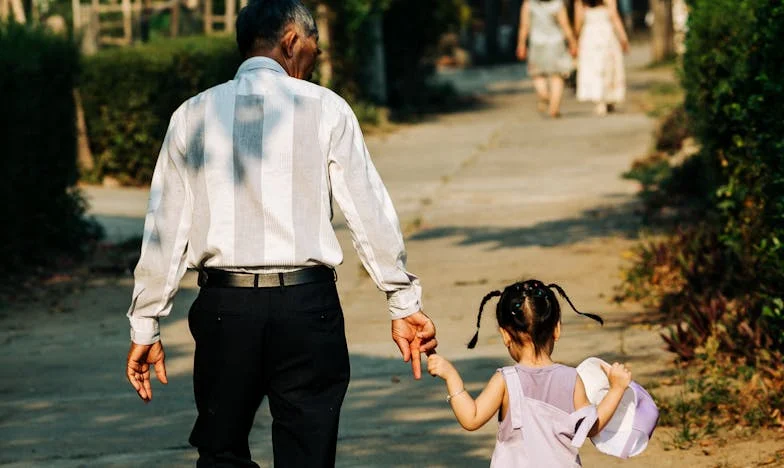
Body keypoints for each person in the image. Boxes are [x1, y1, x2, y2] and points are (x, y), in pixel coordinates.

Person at [123, 1, 437, 466]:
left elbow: (166, 229)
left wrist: (146, 323)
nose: (314, 61)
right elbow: (367, 212)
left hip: (227, 311)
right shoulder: (327, 109)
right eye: (313, 49)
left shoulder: (192, 114)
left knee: (221, 450)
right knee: (308, 452)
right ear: (292, 41)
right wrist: (402, 301)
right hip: (307, 310)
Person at [427, 279, 632, 466]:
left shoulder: (505, 380)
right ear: (557, 329)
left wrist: (451, 376)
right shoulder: (571, 379)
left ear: (505, 335)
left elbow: (471, 418)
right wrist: (616, 388)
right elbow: (592, 427)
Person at [516, 0, 579, 118]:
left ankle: (544, 95)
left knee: (538, 74)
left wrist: (521, 44)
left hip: (537, 43)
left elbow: (524, 26)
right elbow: (564, 24)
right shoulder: (558, 4)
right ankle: (554, 107)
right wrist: (572, 42)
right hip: (556, 42)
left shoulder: (529, 4)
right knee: (557, 76)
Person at [575, 0, 629, 115]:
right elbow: (614, 17)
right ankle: (609, 98)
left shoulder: (581, 2)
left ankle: (600, 101)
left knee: (594, 69)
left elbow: (578, 22)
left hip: (589, 36)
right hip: (606, 34)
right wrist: (623, 37)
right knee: (609, 68)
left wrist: (577, 38)